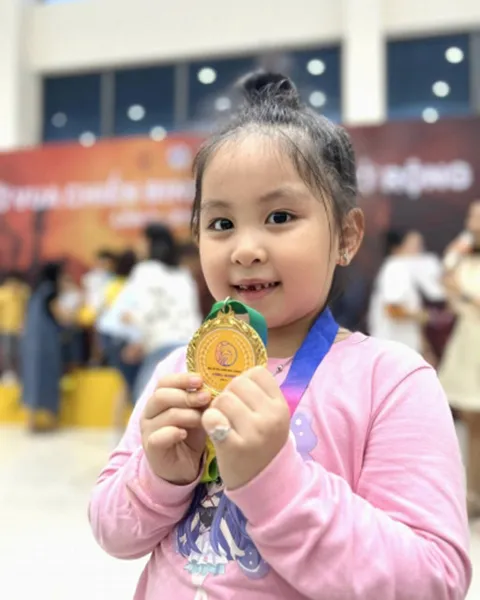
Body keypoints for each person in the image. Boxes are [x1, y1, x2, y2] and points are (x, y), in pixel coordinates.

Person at [89, 72, 470, 599]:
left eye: (279, 216)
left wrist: (274, 478)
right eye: (220, 224)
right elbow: (112, 532)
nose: (245, 249)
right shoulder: (179, 371)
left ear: (347, 236)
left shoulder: (391, 382)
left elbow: (432, 581)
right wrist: (161, 475)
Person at [117, 223, 202, 401]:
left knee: (146, 404)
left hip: (161, 347)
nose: (138, 246)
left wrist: (131, 320)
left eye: (141, 241)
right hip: (191, 347)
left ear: (150, 243)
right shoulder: (182, 274)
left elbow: (146, 312)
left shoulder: (145, 270)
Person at [439, 200, 480, 517]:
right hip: (468, 345)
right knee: (471, 424)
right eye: (470, 215)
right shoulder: (466, 258)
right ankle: (472, 495)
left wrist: (463, 294)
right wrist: (455, 255)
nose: (471, 221)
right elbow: (448, 290)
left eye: (476, 216)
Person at [21, 261, 71, 432]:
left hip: (30, 344)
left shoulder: (35, 291)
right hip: (46, 344)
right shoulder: (51, 292)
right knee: (48, 377)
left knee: (32, 379)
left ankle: (31, 421)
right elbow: (61, 316)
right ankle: (52, 421)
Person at [96, 249, 141, 434]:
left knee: (127, 384)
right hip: (119, 337)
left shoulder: (117, 284)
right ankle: (126, 429)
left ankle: (120, 427)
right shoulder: (132, 285)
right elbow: (125, 317)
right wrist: (137, 340)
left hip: (111, 335)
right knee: (132, 384)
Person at [367, 229, 428, 353]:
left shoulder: (403, 271)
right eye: (414, 245)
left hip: (403, 349)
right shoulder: (396, 267)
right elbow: (392, 309)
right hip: (392, 348)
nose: (419, 251)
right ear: (396, 248)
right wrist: (422, 316)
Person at [0, 270, 30, 384]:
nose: (13, 285)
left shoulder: (23, 293)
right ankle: (8, 372)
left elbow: (27, 308)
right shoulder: (2, 293)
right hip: (5, 328)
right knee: (7, 352)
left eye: (16, 282)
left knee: (20, 352)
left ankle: (20, 373)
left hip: (20, 329)